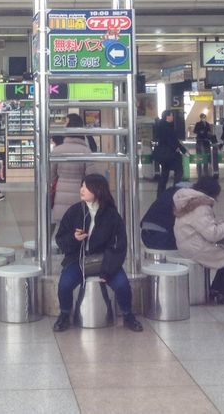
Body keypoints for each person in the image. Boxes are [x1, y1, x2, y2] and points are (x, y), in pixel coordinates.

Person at [53, 174, 142, 333]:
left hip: (105, 261)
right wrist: (74, 239)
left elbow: (119, 245)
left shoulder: (111, 215)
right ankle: (64, 314)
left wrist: (108, 270)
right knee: (64, 284)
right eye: (81, 186)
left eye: (86, 187)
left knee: (122, 285)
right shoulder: (75, 211)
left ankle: (128, 315)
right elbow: (60, 239)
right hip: (77, 260)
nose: (81, 190)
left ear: (98, 190)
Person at [174, 176, 224, 304]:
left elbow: (203, 226)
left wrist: (222, 223)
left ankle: (217, 289)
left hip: (187, 242)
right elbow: (212, 235)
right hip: (196, 248)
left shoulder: (188, 200)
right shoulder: (201, 207)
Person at [51, 114, 90, 226]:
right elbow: (92, 176)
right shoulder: (86, 151)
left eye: (66, 122)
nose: (64, 125)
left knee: (64, 229)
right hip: (81, 196)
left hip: (61, 197)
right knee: (79, 228)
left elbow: (51, 175)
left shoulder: (57, 151)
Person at [139, 181, 192, 250]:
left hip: (145, 235)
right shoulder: (185, 197)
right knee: (193, 245)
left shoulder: (169, 191)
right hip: (162, 236)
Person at [153, 110, 187, 197]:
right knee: (179, 171)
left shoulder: (160, 125)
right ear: (167, 117)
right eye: (171, 115)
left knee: (164, 173)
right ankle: (175, 192)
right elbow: (172, 141)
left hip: (164, 154)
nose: (173, 117)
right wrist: (181, 150)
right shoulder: (167, 127)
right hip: (170, 154)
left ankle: (160, 194)